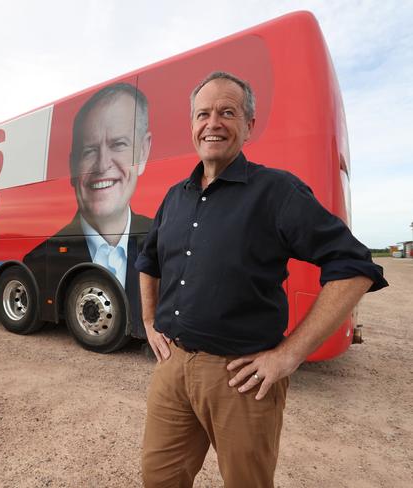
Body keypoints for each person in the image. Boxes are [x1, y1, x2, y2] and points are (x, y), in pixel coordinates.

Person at [135, 71, 387, 488]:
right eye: (203, 114)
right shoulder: (175, 196)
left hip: (239, 379)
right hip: (172, 368)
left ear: (248, 126)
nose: (212, 123)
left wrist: (288, 355)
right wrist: (148, 322)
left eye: (227, 112)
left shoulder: (276, 192)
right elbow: (149, 260)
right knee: (158, 478)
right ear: (192, 126)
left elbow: (354, 266)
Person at [24, 83, 152, 334]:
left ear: (144, 151)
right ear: (72, 165)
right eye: (89, 150)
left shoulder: (163, 241)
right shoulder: (37, 260)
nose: (102, 165)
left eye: (119, 144)